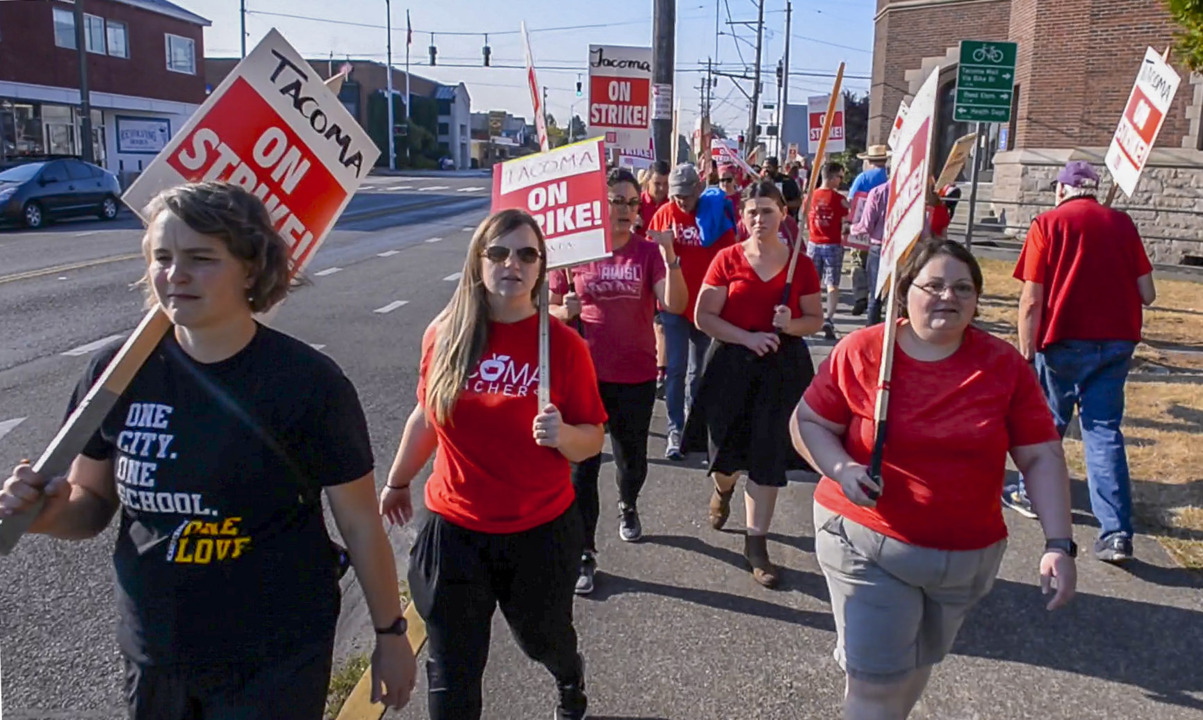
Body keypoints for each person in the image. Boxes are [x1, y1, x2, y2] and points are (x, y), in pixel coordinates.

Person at [0, 181, 417, 719]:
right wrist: (44, 513)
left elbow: (360, 526)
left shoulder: (308, 384)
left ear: (251, 268)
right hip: (155, 655)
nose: (175, 275)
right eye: (162, 257)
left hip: (275, 659)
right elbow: (90, 506)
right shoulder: (115, 373)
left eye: (200, 259)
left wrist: (390, 634)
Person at [790, 238, 1078, 720]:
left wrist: (1059, 543)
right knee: (876, 686)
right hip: (868, 541)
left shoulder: (1003, 366)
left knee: (915, 668)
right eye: (935, 285)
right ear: (905, 293)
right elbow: (808, 422)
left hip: (967, 560)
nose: (949, 297)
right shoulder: (864, 351)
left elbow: (1042, 456)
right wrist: (842, 469)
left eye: (963, 288)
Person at [380, 209, 607, 720]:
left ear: (542, 266)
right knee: (451, 669)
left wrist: (564, 435)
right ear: (479, 261)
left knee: (542, 640)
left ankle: (569, 676)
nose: (513, 263)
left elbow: (592, 440)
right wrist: (397, 481)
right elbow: (426, 414)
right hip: (454, 530)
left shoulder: (564, 346)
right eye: (499, 252)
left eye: (527, 254)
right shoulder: (446, 335)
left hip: (539, 531)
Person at [1007, 160, 1156, 564]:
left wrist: (1026, 351)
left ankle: (1030, 491)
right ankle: (1117, 534)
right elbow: (1149, 293)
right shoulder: (1122, 225)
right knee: (1103, 431)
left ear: (1061, 190)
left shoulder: (1047, 225)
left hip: (1063, 342)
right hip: (1116, 342)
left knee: (1047, 423)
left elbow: (1032, 299)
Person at [549, 168, 687, 594]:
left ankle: (628, 503)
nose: (626, 210)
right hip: (584, 377)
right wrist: (564, 310)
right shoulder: (574, 253)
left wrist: (671, 259)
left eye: (631, 202)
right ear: (598, 204)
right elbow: (548, 311)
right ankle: (584, 553)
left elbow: (675, 303)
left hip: (636, 375)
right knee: (581, 470)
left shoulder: (647, 253)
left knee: (631, 462)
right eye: (616, 201)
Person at [685, 180, 824, 587]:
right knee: (726, 457)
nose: (759, 218)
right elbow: (703, 317)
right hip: (732, 363)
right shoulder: (727, 259)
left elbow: (813, 319)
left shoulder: (802, 264)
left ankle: (756, 543)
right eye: (751, 211)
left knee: (767, 456)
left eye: (767, 210)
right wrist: (747, 337)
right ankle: (723, 490)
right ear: (741, 217)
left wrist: (790, 324)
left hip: (782, 369)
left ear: (783, 213)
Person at [647, 163, 737, 461]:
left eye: (686, 195)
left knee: (699, 371)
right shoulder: (664, 215)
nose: (680, 201)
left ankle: (693, 423)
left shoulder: (715, 215)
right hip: (673, 304)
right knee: (674, 369)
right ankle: (675, 428)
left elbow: (728, 259)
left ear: (698, 188)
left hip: (706, 305)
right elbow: (651, 257)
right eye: (675, 195)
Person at [807, 161, 851, 340]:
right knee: (832, 284)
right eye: (840, 177)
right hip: (832, 243)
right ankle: (829, 318)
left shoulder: (810, 196)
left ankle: (813, 315)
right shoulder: (839, 199)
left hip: (813, 243)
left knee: (813, 283)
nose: (841, 180)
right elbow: (849, 217)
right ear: (832, 178)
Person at [847, 146, 891, 316]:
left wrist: (851, 226)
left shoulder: (863, 178)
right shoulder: (890, 180)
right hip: (888, 236)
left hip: (865, 230)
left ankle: (860, 296)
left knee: (858, 263)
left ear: (869, 161)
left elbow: (852, 200)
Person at [850, 181, 889, 326]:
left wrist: (851, 229)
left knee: (875, 295)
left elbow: (866, 225)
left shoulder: (878, 191)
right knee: (899, 296)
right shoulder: (913, 190)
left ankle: (872, 332)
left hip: (879, 247)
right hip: (906, 248)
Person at [638, 159, 671, 231]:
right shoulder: (637, 202)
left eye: (666, 183)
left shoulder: (673, 203)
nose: (662, 188)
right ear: (648, 181)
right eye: (657, 183)